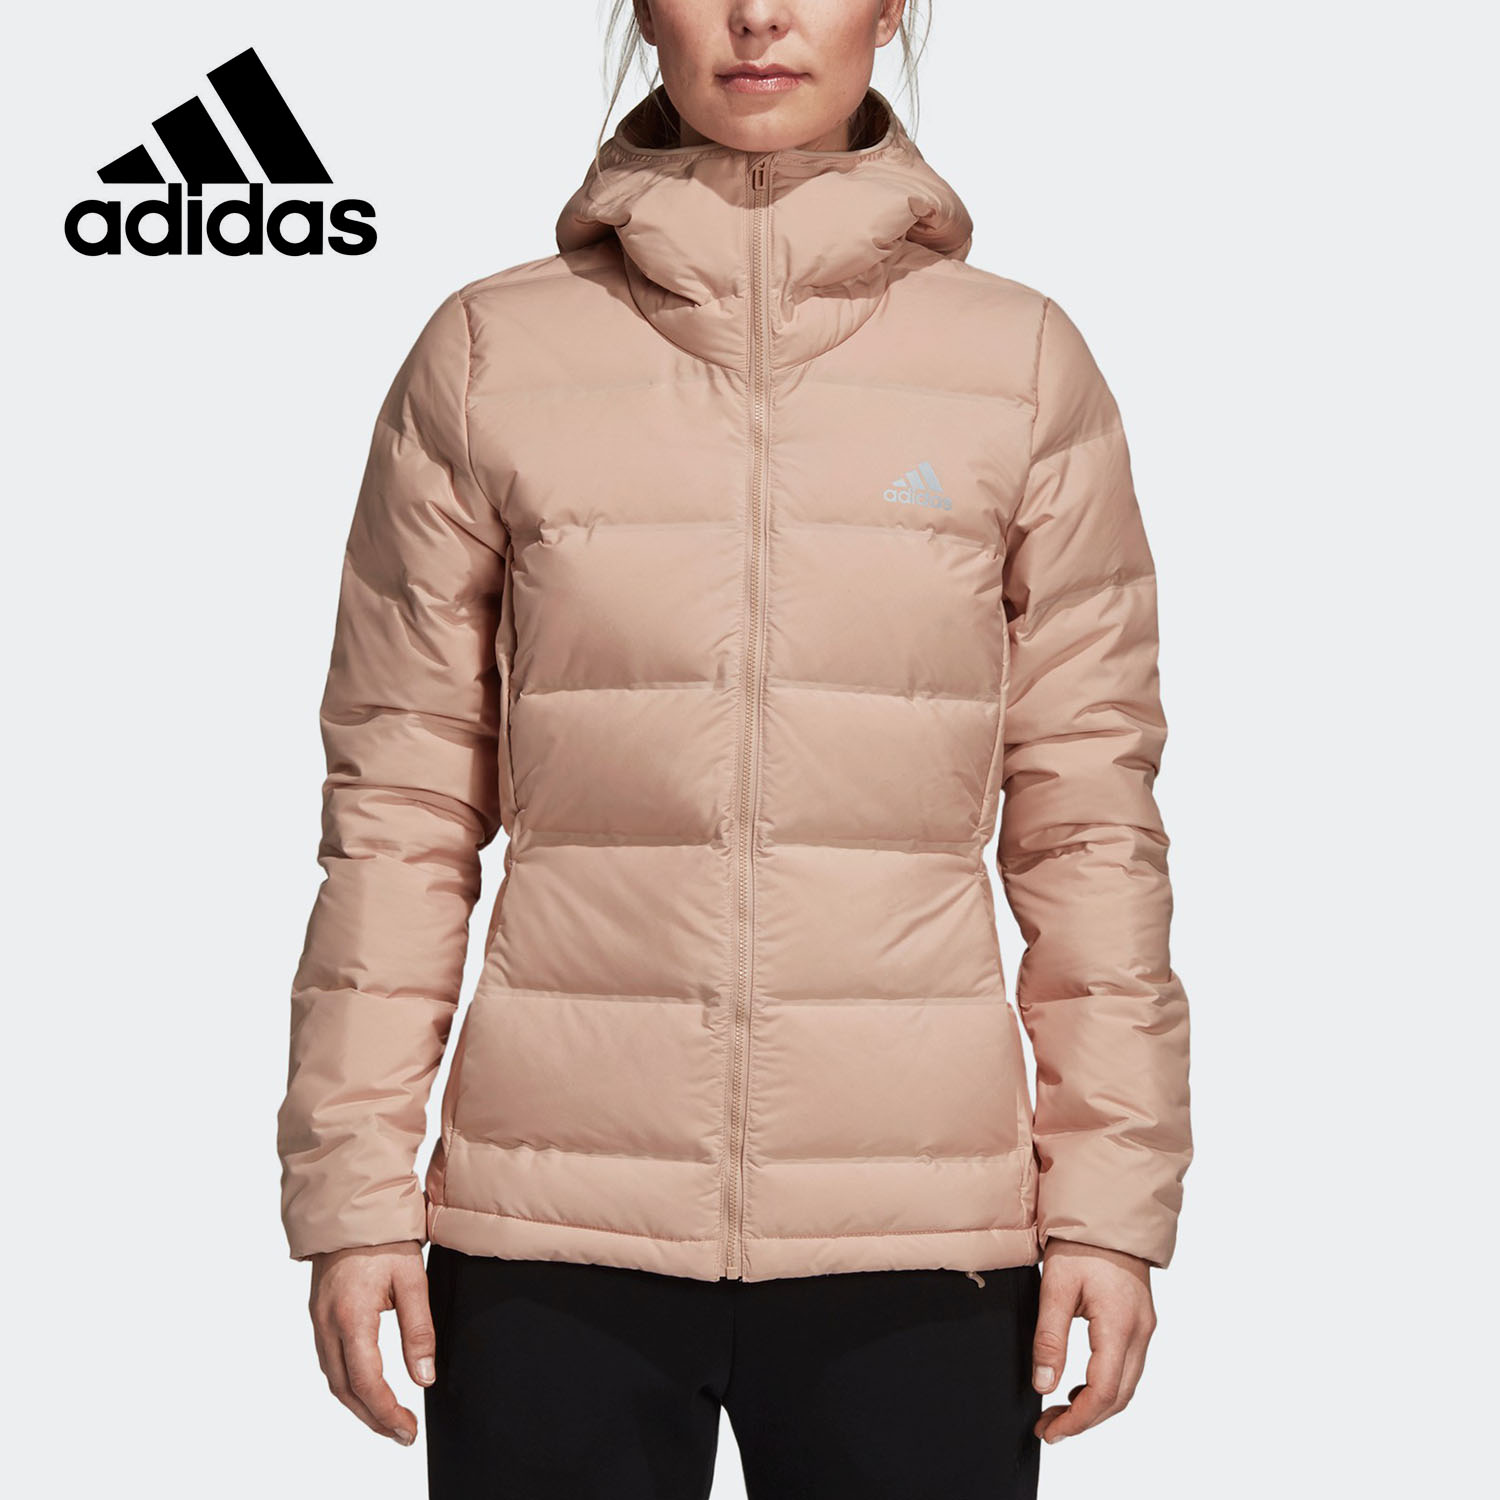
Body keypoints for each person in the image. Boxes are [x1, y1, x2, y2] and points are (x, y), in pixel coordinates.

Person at [276, 2, 1193, 1495]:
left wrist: (1110, 1204)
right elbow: (400, 808)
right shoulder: (489, 356)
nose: (760, 14)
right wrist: (354, 1193)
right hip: (547, 1233)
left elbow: (1088, 818)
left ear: (893, 5)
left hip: (924, 1241)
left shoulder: (1021, 366)